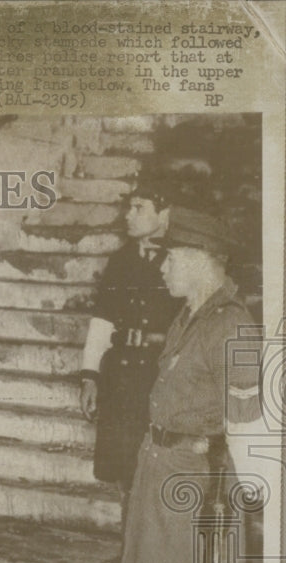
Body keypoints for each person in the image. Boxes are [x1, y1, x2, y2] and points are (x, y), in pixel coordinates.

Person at [72, 206, 269, 563]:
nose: (162, 268)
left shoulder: (231, 326)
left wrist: (248, 489)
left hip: (196, 475)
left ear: (204, 261)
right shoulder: (191, 314)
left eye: (172, 258)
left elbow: (248, 413)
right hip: (159, 462)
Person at [79, 179, 180, 525]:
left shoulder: (182, 259)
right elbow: (102, 319)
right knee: (123, 470)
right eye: (128, 207)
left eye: (139, 208)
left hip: (160, 376)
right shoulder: (121, 260)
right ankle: (128, 552)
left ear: (164, 213)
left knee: (155, 466)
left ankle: (150, 554)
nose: (128, 215)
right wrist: (90, 377)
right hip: (120, 376)